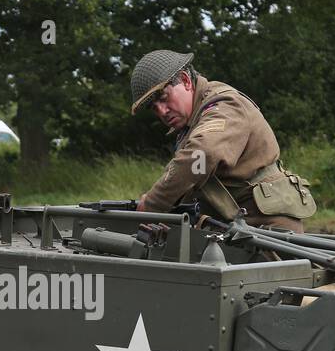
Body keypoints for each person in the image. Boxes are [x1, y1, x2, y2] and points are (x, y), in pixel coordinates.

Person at [129, 50, 315, 232]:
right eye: (154, 108)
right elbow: (195, 176)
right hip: (237, 227)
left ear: (186, 81)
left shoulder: (224, 105)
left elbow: (202, 156)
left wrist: (153, 204)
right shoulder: (192, 122)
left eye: (163, 98)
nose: (162, 111)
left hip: (265, 228)